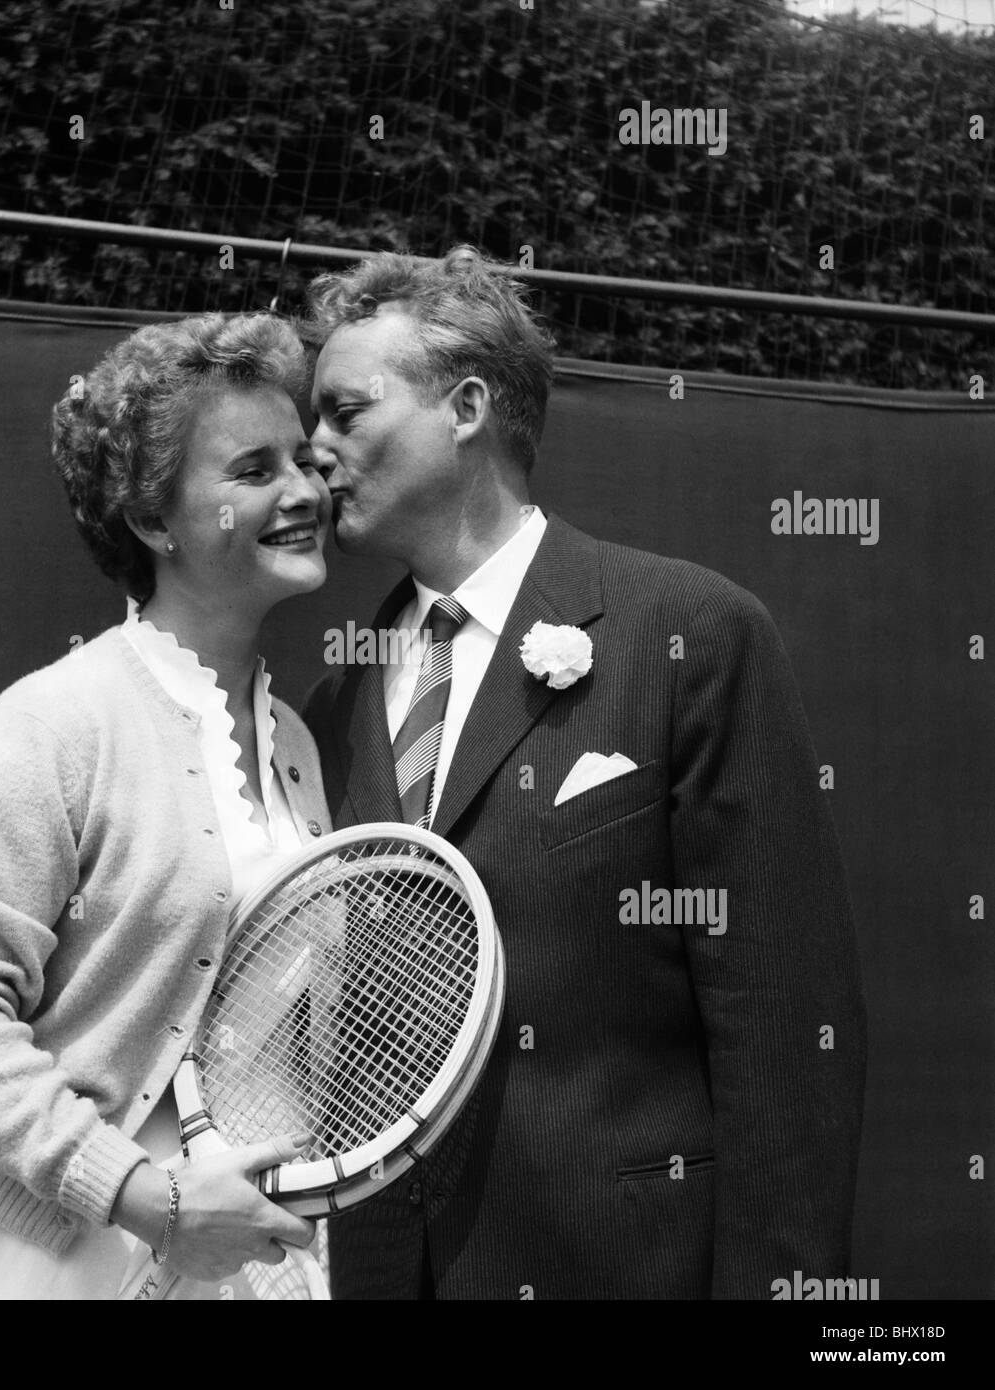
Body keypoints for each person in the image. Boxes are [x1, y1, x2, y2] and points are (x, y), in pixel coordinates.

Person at [300, 247, 867, 1300]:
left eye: (344, 411)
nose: (314, 449)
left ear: (466, 406)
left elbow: (785, 1024)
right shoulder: (331, 707)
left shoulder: (690, 633)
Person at [0, 312, 334, 1299]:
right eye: (254, 469)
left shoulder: (293, 745)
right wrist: (147, 1197)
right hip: (47, 1268)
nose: (304, 491)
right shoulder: (36, 733)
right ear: (153, 520)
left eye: (302, 457)